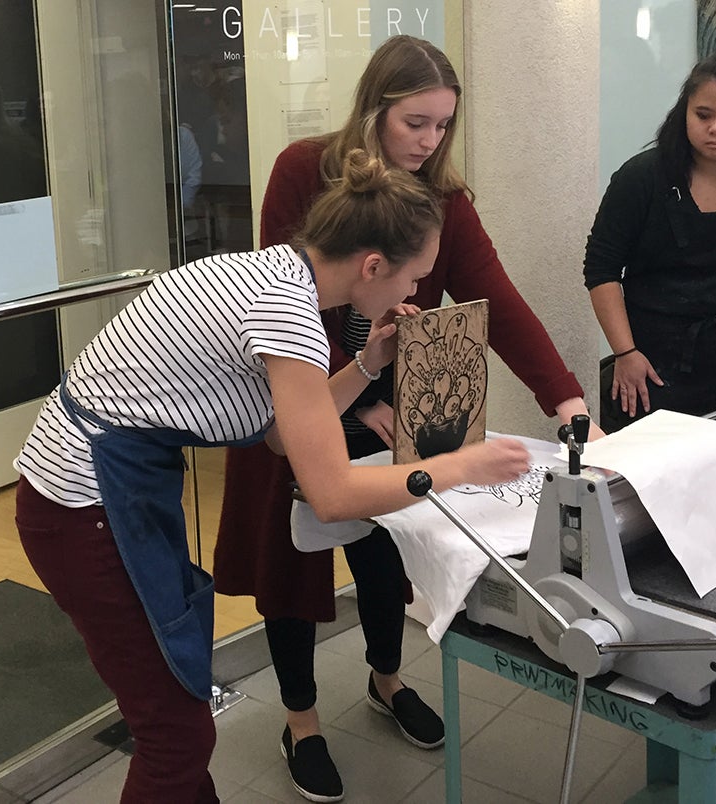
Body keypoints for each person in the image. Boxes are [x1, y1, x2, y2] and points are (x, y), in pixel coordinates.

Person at [12, 149, 531, 804]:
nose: (413, 298)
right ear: (372, 267)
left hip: (106, 490)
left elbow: (284, 434)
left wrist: (369, 362)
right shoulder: (287, 315)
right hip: (81, 504)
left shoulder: (274, 276)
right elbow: (333, 492)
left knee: (178, 717)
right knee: (176, 734)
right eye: (412, 281)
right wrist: (459, 467)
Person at [214, 34, 603, 802]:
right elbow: (284, 305)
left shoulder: (446, 201)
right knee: (293, 563)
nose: (427, 143)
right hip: (301, 397)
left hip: (381, 396)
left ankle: (386, 681)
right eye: (414, 123)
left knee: (388, 556)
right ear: (374, 108)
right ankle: (300, 722)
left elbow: (496, 299)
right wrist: (362, 395)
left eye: (441, 127)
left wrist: (563, 394)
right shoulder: (305, 171)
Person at [584, 47, 716, 432]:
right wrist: (626, 351)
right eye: (703, 115)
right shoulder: (641, 178)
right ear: (684, 110)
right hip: (648, 367)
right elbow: (601, 269)